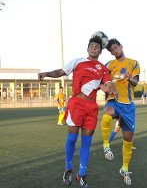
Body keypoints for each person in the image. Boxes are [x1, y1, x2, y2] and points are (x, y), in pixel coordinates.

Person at [38, 35, 116, 188]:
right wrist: (46, 73)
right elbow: (60, 72)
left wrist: (110, 89)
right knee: (72, 139)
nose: (94, 47)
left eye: (97, 46)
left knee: (86, 142)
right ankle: (68, 167)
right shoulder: (77, 61)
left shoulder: (103, 68)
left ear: (100, 51)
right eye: (92, 45)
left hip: (91, 107)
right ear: (87, 48)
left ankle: (81, 173)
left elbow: (108, 84)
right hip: (76, 104)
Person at [101, 38, 140, 186]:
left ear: (121, 46)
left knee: (128, 139)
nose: (114, 51)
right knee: (107, 112)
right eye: (112, 50)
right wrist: (103, 87)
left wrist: (130, 79)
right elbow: (101, 80)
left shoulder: (133, 63)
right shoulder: (109, 65)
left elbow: (136, 82)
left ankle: (124, 168)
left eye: (116, 48)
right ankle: (106, 145)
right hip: (114, 100)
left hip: (128, 106)